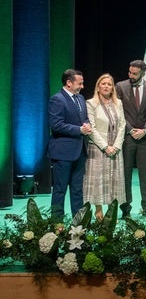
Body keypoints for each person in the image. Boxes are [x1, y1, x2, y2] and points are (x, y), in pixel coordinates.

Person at [115, 59, 146, 218]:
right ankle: (125, 208)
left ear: (143, 73)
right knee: (125, 173)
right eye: (130, 72)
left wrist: (145, 130)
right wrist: (131, 129)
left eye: (135, 73)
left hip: (144, 138)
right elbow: (118, 112)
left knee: (145, 174)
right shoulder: (120, 86)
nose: (131, 75)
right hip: (127, 136)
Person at [48, 69, 93, 219]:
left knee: (77, 189)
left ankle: (78, 222)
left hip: (79, 151)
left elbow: (84, 118)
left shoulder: (80, 99)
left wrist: (86, 125)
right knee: (60, 189)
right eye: (79, 83)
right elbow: (56, 125)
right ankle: (57, 223)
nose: (82, 86)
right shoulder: (57, 99)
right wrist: (79, 129)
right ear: (68, 83)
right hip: (63, 152)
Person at [83, 73, 126, 222]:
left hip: (115, 148)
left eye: (109, 84)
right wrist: (105, 146)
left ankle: (111, 210)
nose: (106, 86)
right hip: (98, 148)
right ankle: (98, 210)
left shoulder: (118, 103)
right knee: (98, 180)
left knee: (113, 179)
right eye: (104, 84)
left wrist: (116, 146)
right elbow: (92, 128)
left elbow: (122, 125)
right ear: (98, 86)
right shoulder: (90, 103)